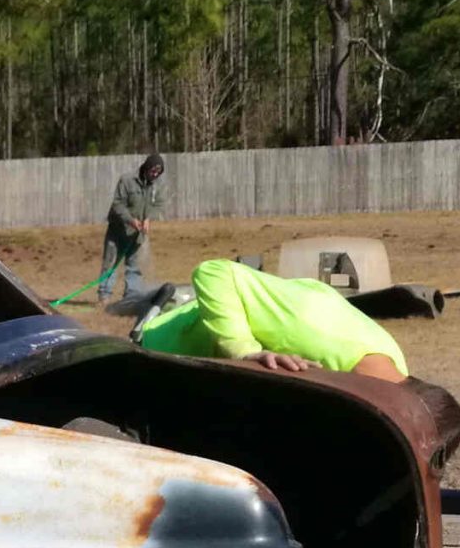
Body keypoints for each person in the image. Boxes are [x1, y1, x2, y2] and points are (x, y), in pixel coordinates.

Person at [137, 257, 408, 381]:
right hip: (160, 352)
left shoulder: (396, 368)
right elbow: (212, 272)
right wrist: (244, 351)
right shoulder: (305, 327)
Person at [101, 153, 165, 303]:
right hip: (118, 230)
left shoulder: (157, 186)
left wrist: (148, 219)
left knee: (134, 266)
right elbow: (117, 204)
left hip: (138, 234)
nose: (155, 175)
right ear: (146, 167)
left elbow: (159, 205)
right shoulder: (127, 180)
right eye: (153, 171)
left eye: (158, 172)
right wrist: (131, 220)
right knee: (110, 263)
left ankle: (131, 297)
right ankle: (104, 295)